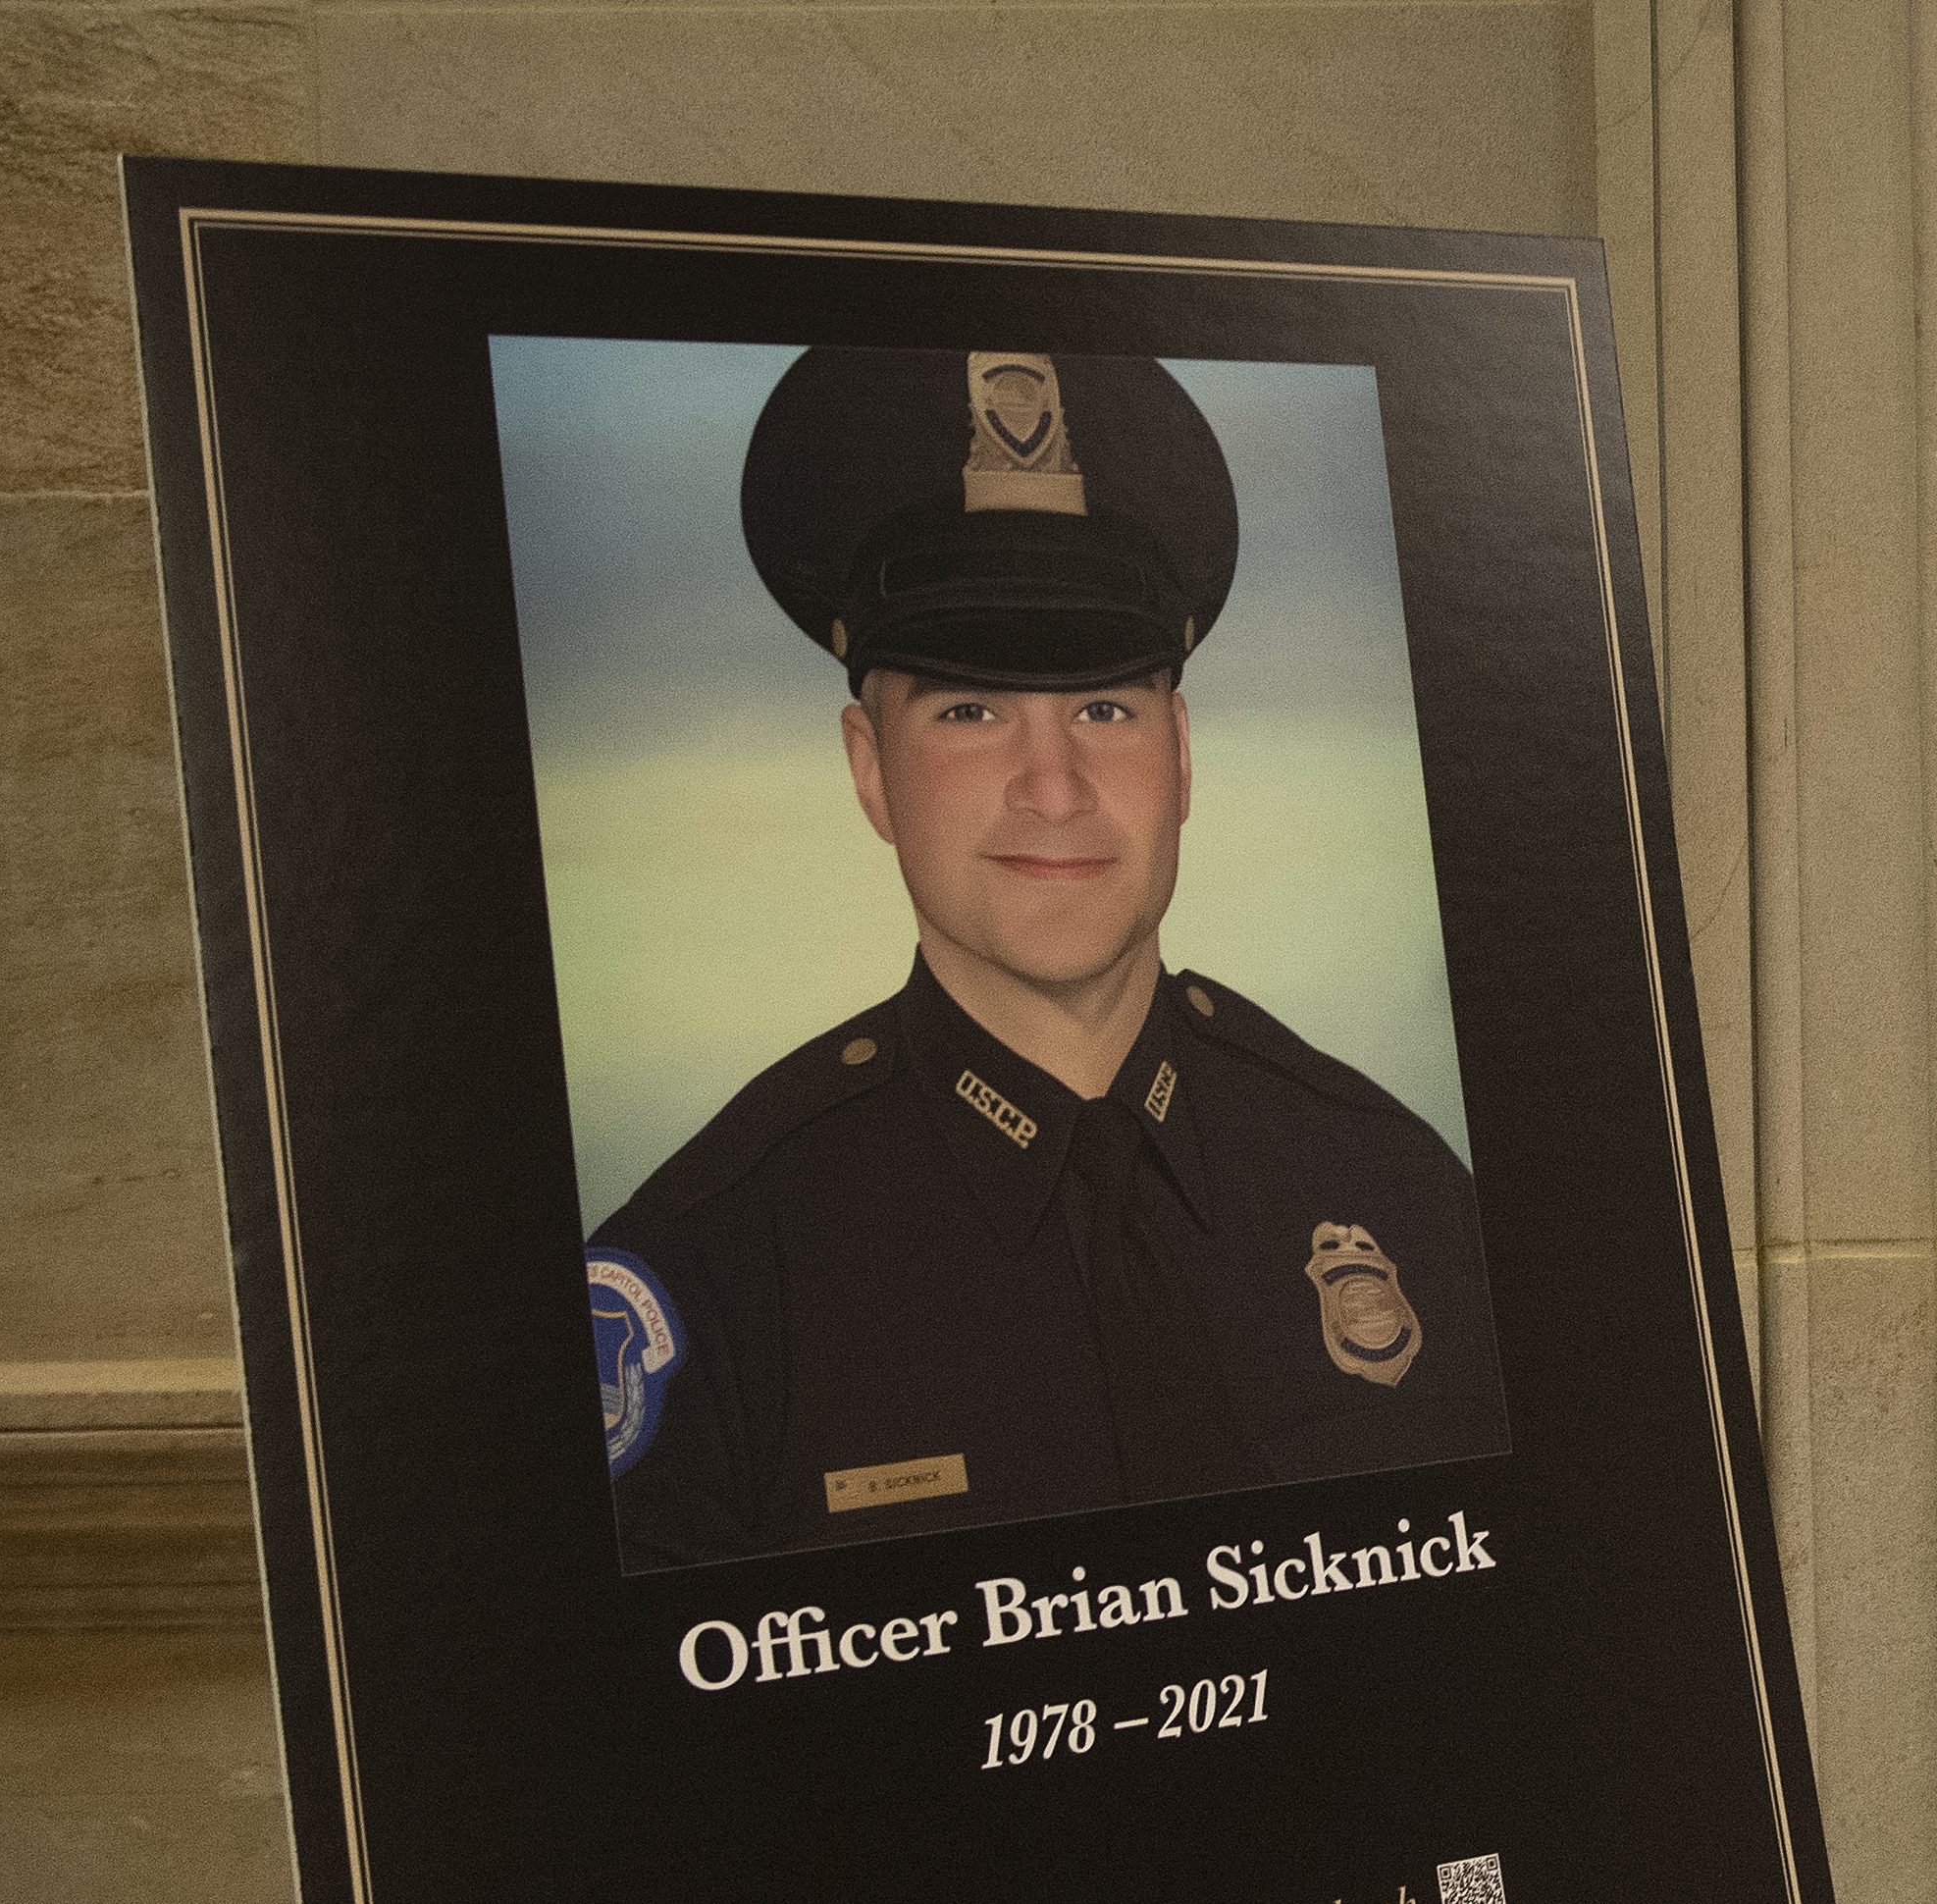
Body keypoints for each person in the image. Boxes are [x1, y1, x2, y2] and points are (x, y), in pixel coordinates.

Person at [586, 348, 1507, 1570]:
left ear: (1180, 756)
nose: (1054, 787)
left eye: (1103, 709)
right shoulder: (710, 1275)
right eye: (969, 711)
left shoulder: (1400, 1187)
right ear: (870, 769)